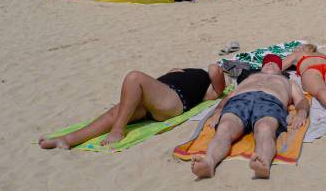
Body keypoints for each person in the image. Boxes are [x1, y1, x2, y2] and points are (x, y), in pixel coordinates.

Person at [39, 64, 227, 149]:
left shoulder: (209, 87)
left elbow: (217, 79)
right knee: (116, 112)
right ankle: (68, 139)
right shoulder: (184, 72)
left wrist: (211, 68)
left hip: (173, 101)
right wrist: (175, 71)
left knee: (134, 77)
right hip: (158, 96)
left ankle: (118, 130)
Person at [191, 54, 309, 179]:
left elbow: (301, 100)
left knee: (265, 128)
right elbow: (229, 96)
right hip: (240, 99)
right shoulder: (250, 77)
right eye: (267, 62)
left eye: (275, 63)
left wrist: (301, 113)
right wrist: (218, 111)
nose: (270, 63)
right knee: (225, 127)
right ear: (261, 67)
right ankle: (209, 162)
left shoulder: (289, 82)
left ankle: (263, 162)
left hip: (270, 101)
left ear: (281, 69)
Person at [282, 44, 326, 123]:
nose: (294, 50)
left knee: (320, 90)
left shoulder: (297, 54)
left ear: (303, 48)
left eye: (296, 48)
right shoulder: (322, 55)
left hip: (311, 70)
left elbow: (279, 66)